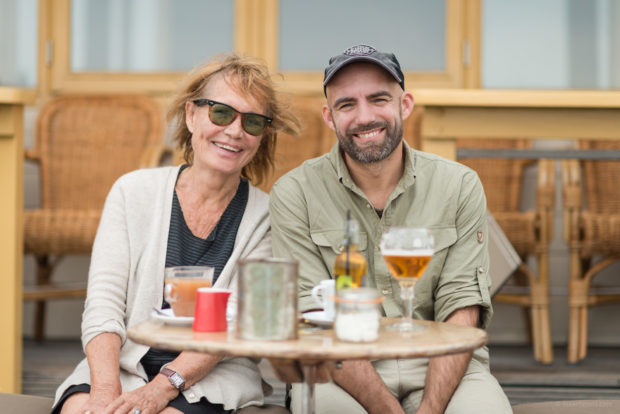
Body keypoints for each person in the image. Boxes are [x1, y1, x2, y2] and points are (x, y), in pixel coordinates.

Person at [269, 45, 512, 414]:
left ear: (405, 104)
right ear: (329, 117)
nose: (364, 116)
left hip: (442, 360)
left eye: (379, 99)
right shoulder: (295, 193)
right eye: (347, 104)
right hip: (339, 364)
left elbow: (462, 306)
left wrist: (430, 408)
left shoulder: (458, 184)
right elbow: (312, 317)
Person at [52, 53, 300, 414]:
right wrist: (105, 390)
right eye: (221, 112)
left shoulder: (266, 216)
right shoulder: (132, 191)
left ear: (262, 136)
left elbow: (230, 328)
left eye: (253, 122)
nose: (234, 131)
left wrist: (161, 389)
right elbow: (104, 305)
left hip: (210, 376)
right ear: (191, 114)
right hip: (122, 367)